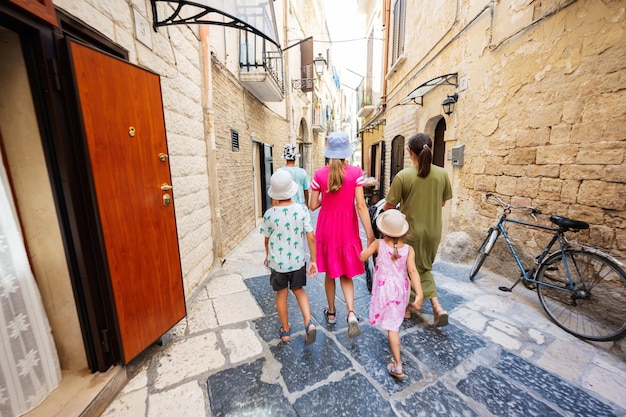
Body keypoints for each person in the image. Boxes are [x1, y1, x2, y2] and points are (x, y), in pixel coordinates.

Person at [308, 131, 375, 337]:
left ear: (329, 152)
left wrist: (324, 198)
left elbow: (312, 205)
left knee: (330, 272)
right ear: (346, 153)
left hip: (327, 229)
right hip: (348, 229)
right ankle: (351, 312)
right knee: (346, 273)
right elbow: (362, 206)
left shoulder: (319, 174)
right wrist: (370, 235)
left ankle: (331, 313)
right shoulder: (356, 173)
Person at [383, 133, 452, 327]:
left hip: (410, 232)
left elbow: (389, 206)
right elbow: (442, 202)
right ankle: (437, 306)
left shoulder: (403, 176)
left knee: (405, 269)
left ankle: (406, 309)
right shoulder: (442, 174)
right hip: (433, 232)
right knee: (423, 268)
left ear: (409, 152)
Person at [359, 209, 423, 379]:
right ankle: (396, 362)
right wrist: (419, 294)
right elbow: (413, 272)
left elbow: (361, 257)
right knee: (393, 325)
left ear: (382, 230)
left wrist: (368, 244)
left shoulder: (377, 244)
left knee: (391, 329)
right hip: (401, 291)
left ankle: (398, 364)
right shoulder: (409, 249)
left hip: (383, 290)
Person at [260, 170, 318, 345]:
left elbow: (267, 240)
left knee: (281, 295)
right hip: (297, 262)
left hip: (278, 264)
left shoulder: (269, 215)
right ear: (292, 191)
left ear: (274, 195)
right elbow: (311, 236)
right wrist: (313, 259)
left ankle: (285, 330)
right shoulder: (301, 210)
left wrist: (268, 256)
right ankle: (308, 322)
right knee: (299, 290)